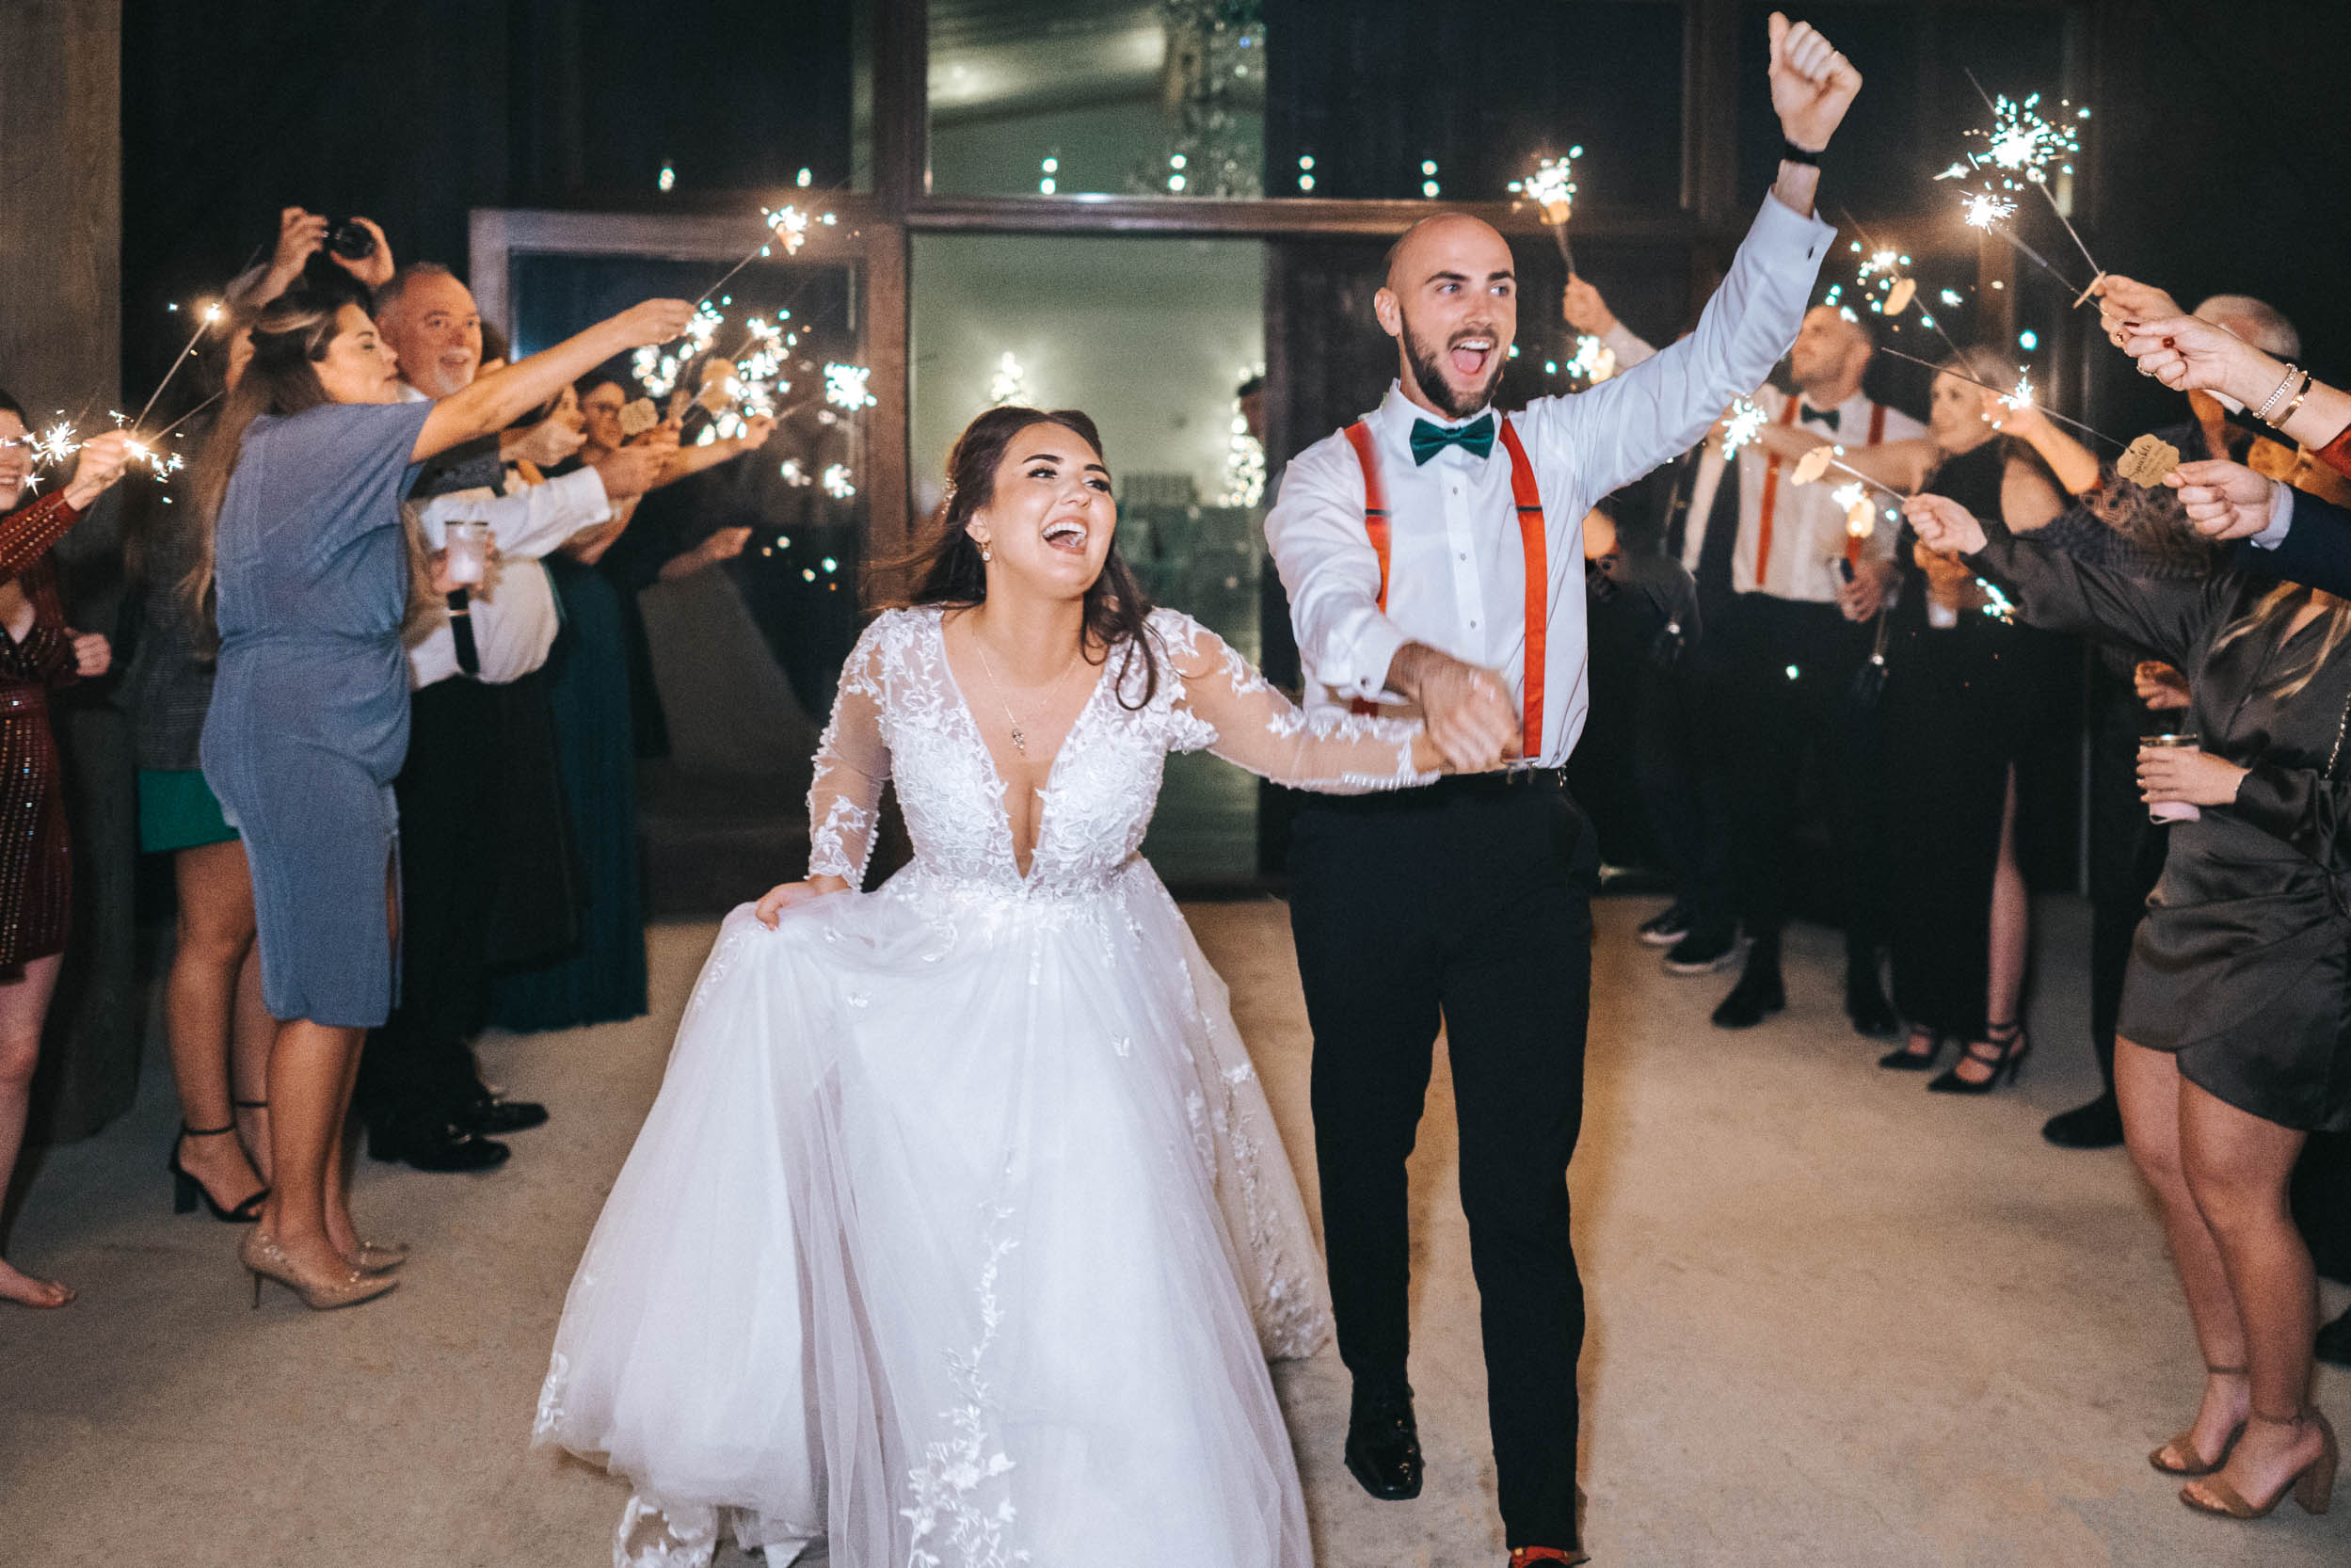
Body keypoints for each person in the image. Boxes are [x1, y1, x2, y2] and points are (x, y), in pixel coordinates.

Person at [536, 404, 1450, 1568]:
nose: (1080, 492)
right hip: (932, 965)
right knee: (928, 1234)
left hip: (1098, 977)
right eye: (1042, 473)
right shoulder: (900, 649)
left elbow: (1304, 748)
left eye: (1096, 475)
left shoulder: (1160, 652)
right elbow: (852, 758)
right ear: (977, 518)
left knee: (1098, 1251)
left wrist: (1441, 739)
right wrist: (828, 871)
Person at [1261, 16, 1858, 1562]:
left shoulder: (1560, 442)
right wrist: (1422, 671)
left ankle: (1539, 1520)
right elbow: (1328, 615)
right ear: (1388, 307)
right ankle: (1379, 1385)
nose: (1479, 303)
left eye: (1498, 284)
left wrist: (1794, 162)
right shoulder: (1323, 473)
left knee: (1523, 1188)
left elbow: (1729, 352)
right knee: (1369, 1138)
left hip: (1529, 850)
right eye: (1446, 280)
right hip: (1363, 850)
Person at [189, 283, 693, 1310]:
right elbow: (470, 414)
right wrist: (619, 329)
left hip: (343, 725)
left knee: (355, 981)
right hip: (303, 730)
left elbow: (394, 575)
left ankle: (322, 1214)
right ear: (309, 369)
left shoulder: (332, 460)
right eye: (366, 342)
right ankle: (288, 1231)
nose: (386, 356)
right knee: (329, 993)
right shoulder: (305, 440)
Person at [1910, 488, 2342, 1525]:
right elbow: (2105, 594)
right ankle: (2228, 1381)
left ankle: (2287, 1428)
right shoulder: (2256, 588)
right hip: (2185, 902)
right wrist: (1980, 544)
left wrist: (2228, 782)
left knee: (2238, 1192)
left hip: (2292, 930)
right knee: (2162, 1163)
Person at [358, 263, 670, 1172]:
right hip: (431, 705)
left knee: (470, 901)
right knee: (430, 905)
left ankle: (450, 1076)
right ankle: (407, 1109)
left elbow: (488, 538)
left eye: (469, 323)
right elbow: (474, 535)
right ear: (389, 340)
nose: (462, 339)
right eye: (435, 322)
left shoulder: (468, 439)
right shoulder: (393, 434)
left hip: (493, 700)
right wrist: (592, 482)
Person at [488, 374, 765, 1032]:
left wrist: (737, 441)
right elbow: (593, 542)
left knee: (606, 786)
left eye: (617, 407)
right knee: (565, 793)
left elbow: (668, 472)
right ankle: (557, 975)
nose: (610, 418)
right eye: (598, 407)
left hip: (602, 626)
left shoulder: (596, 468)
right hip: (565, 634)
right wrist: (632, 480)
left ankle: (601, 968)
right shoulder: (546, 469)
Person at [1865, 349, 2072, 1090]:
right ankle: (1928, 1014)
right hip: (1924, 675)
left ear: (1997, 404)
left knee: (1987, 852)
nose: (1940, 405)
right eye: (1935, 391)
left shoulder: (2020, 480)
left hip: (1993, 686)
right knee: (1920, 846)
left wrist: (1972, 593)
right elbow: (1912, 573)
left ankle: (1996, 1031)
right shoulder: (1931, 471)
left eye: (1957, 393)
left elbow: (2058, 603)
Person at [0, 403, 133, 1306]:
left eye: (15, 441)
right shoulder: (32, 530)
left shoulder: (28, 546)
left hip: (33, 802)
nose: (10, 457)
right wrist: (78, 492)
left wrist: (72, 651)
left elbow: (35, 651)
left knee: (15, 1052)